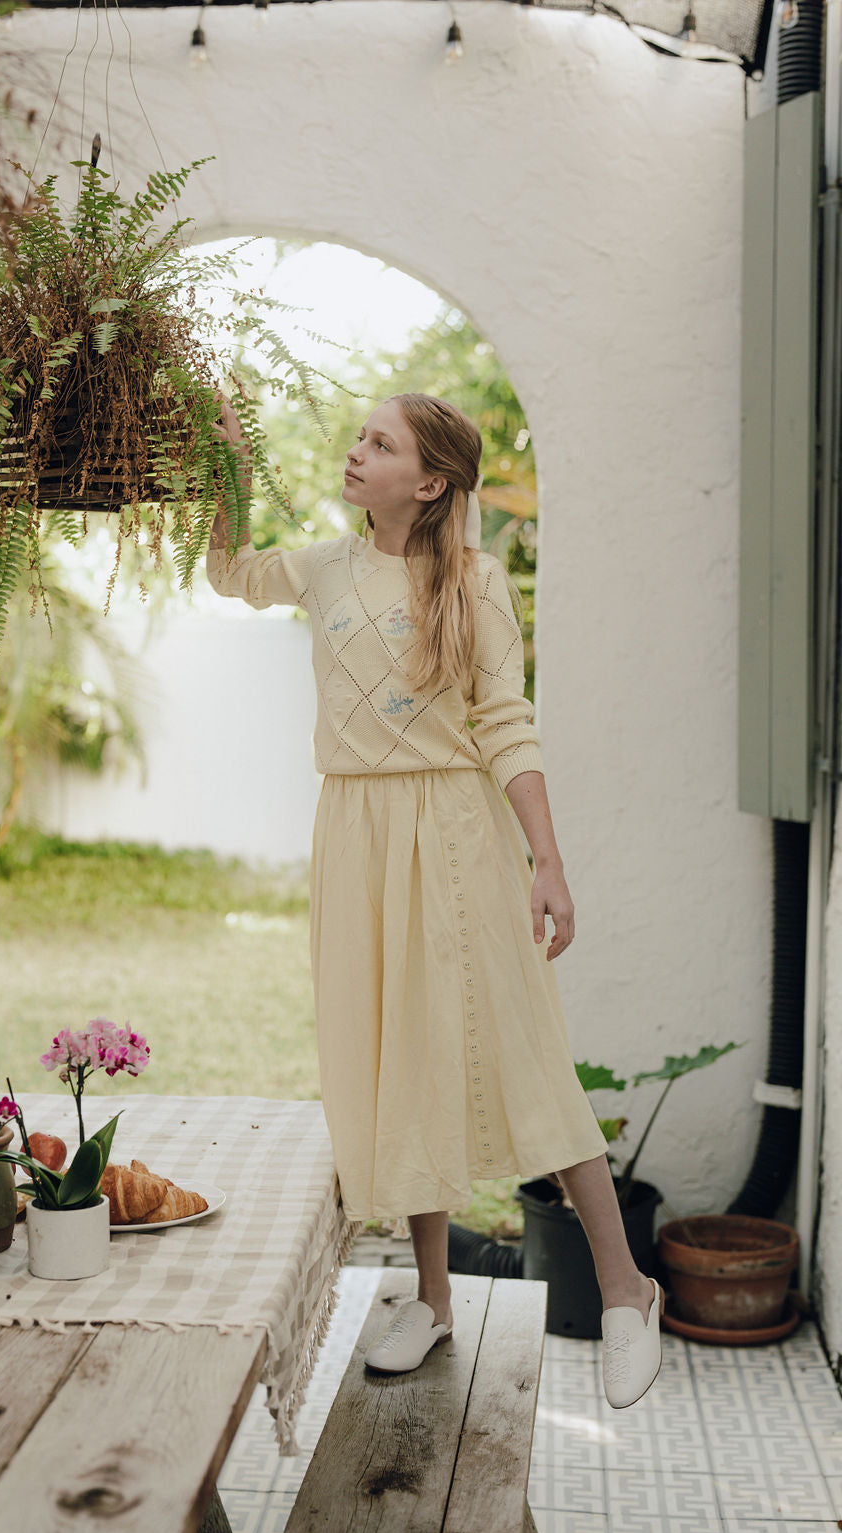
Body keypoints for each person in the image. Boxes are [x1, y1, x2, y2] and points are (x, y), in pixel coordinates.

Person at [206, 390, 662, 1409]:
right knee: (398, 1062)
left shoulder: (477, 582)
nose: (354, 452)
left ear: (428, 480)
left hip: (456, 833)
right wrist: (226, 462)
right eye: (357, 437)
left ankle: (628, 1290)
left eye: (380, 442)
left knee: (527, 1057)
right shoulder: (324, 566)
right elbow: (229, 571)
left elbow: (506, 723)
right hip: (355, 837)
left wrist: (547, 862)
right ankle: (434, 1299)